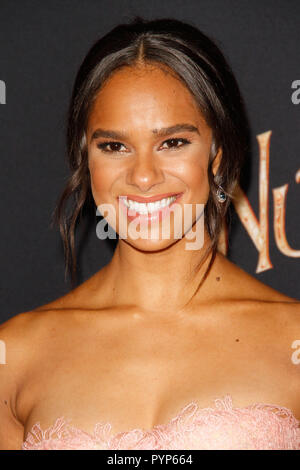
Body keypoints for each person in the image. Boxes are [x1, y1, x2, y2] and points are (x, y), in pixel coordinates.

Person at [0, 17, 299, 450]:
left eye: (173, 142)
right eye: (114, 146)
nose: (143, 176)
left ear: (219, 154)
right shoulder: (15, 354)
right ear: (86, 160)